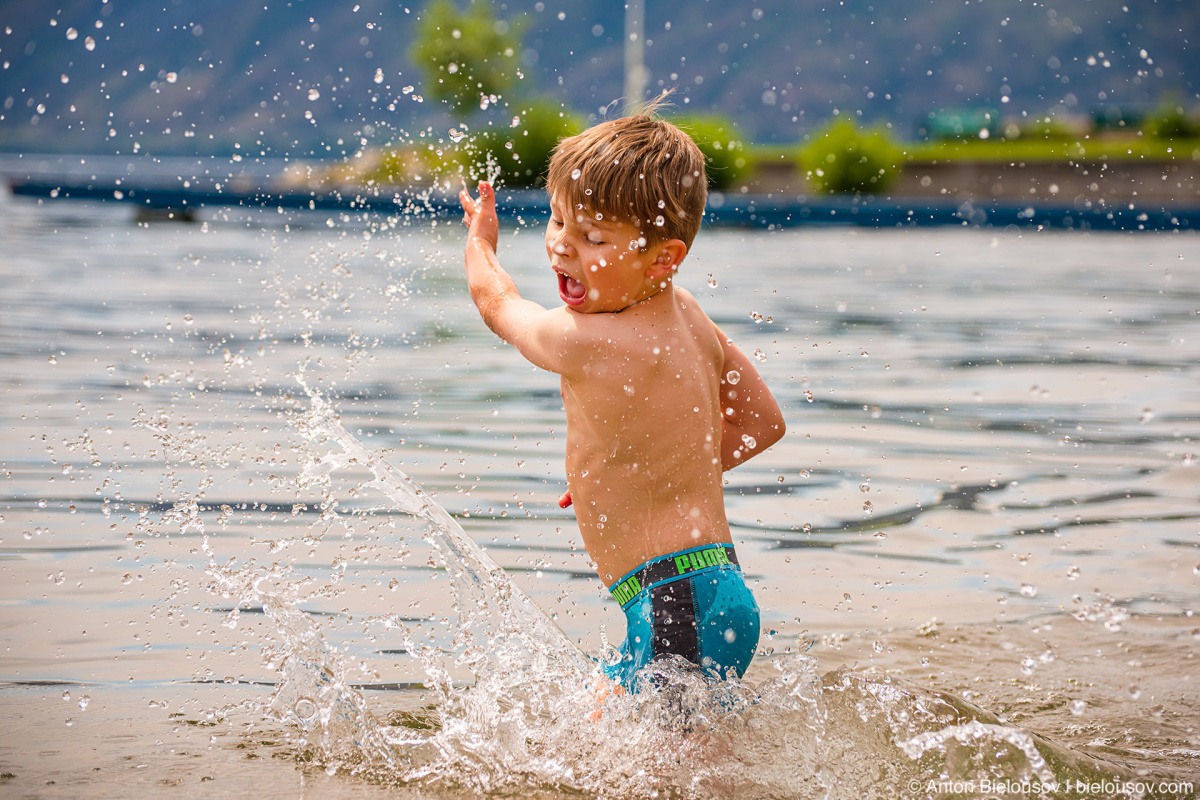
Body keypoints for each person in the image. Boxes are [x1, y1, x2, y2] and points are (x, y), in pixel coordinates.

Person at [458, 108, 785, 690]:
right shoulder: (689, 315)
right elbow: (763, 423)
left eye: (593, 237)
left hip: (671, 602)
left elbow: (497, 306)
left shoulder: (583, 339)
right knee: (638, 734)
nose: (562, 247)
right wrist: (643, 469)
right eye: (557, 219)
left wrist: (481, 244)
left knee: (659, 772)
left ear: (663, 257)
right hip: (717, 589)